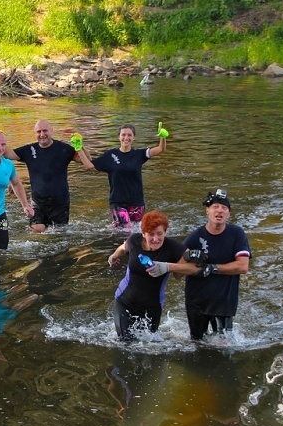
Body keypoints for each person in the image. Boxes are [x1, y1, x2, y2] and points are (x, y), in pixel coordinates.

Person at [107, 210, 196, 340]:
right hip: (124, 301)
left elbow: (193, 269)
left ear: (165, 232)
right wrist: (113, 258)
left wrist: (168, 266)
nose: (155, 239)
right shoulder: (134, 240)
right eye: (151, 234)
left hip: (152, 307)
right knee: (125, 342)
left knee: (148, 346)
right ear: (143, 233)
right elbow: (122, 248)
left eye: (159, 234)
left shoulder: (173, 247)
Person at [183, 189, 252, 340]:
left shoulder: (236, 234)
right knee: (197, 344)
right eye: (215, 207)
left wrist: (212, 268)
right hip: (196, 301)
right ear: (207, 211)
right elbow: (178, 269)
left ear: (229, 213)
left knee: (224, 345)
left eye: (224, 208)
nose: (219, 210)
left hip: (223, 301)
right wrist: (187, 255)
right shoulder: (195, 237)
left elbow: (243, 266)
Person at [78, 122, 167, 229]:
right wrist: (79, 148)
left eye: (129, 135)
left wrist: (162, 137)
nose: (126, 138)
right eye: (123, 135)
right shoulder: (110, 155)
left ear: (134, 137)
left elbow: (160, 149)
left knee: (137, 232)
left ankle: (114, 229)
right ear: (119, 137)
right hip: (117, 202)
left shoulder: (139, 154)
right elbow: (89, 165)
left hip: (137, 202)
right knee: (124, 230)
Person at [4, 119, 84, 232]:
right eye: (39, 131)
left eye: (45, 131)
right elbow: (8, 154)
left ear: (52, 131)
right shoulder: (29, 150)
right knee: (38, 229)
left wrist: (80, 147)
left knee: (58, 234)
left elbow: (86, 161)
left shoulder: (64, 149)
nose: (42, 134)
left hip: (60, 202)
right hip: (38, 202)